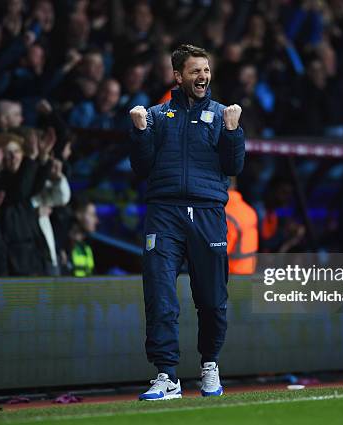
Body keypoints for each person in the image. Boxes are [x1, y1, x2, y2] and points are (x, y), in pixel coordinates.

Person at [129, 44, 244, 400]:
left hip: (208, 213)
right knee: (160, 295)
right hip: (164, 213)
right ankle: (167, 375)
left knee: (212, 299)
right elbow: (141, 167)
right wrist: (140, 132)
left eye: (206, 71)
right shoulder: (156, 115)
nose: (203, 77)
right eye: (195, 71)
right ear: (178, 76)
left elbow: (234, 167)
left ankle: (209, 365)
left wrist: (233, 132)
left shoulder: (224, 114)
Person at [225, 177, 258, 274]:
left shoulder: (225, 213)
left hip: (230, 274)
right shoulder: (249, 210)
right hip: (248, 272)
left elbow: (218, 253)